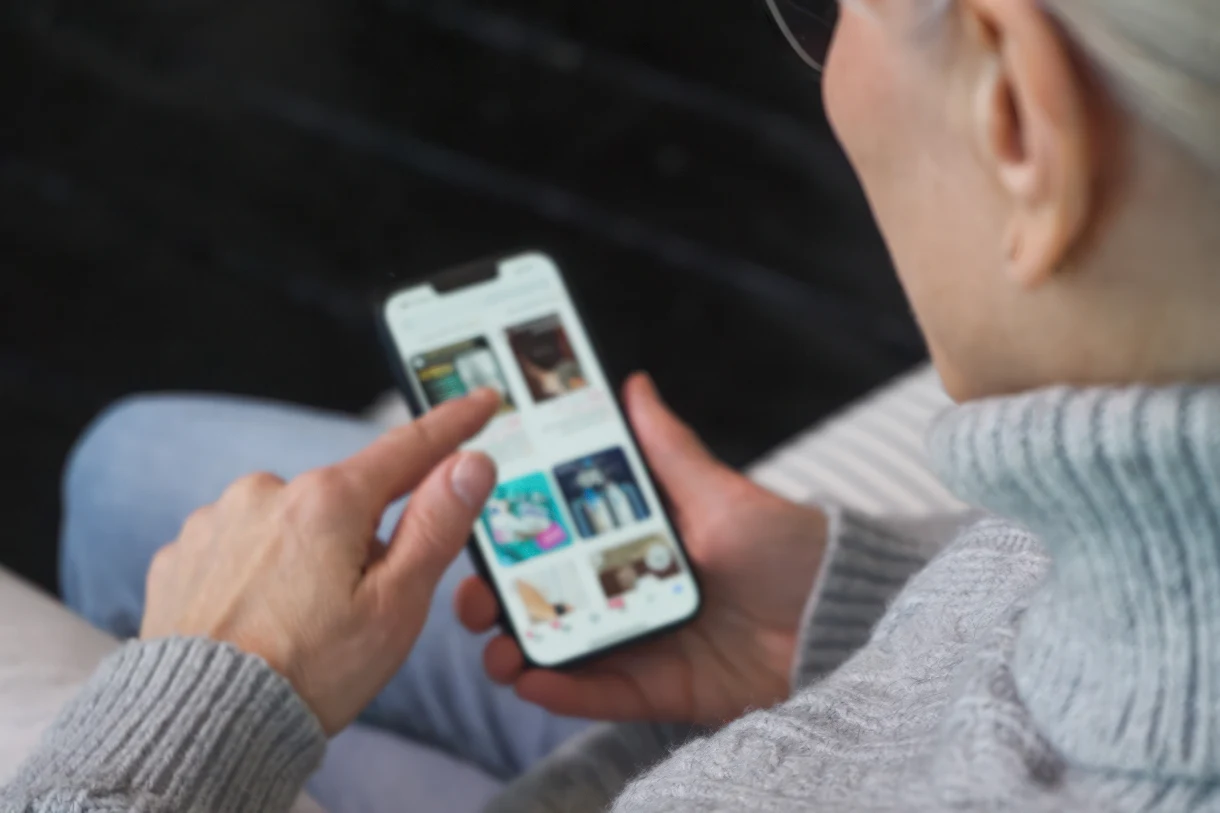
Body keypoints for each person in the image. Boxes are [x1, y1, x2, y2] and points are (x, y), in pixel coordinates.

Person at [7, 0, 1220, 809]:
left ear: (1014, 116)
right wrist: (848, 611)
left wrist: (202, 704)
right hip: (812, 679)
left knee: (136, 491)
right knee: (134, 464)